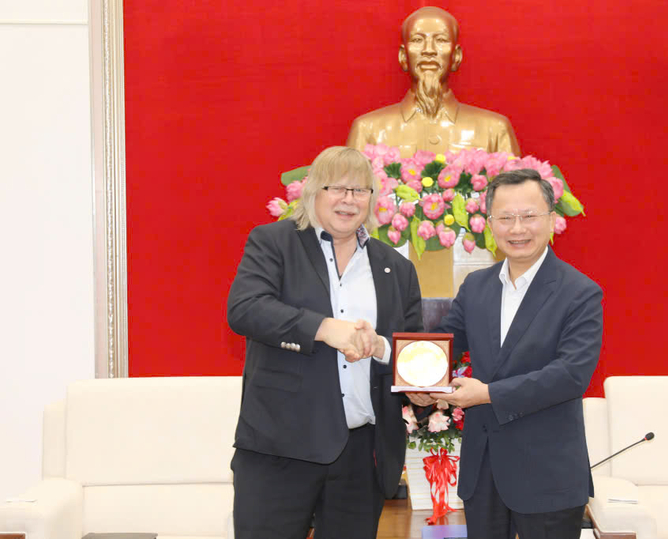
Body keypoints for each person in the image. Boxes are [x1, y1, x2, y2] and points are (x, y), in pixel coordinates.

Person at [227, 146, 423, 539]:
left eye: (360, 190)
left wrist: (391, 358)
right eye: (337, 188)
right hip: (280, 447)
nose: (349, 200)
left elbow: (412, 348)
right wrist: (323, 328)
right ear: (314, 191)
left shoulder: (395, 267)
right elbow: (245, 310)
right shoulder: (275, 242)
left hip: (359, 454)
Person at [409, 169, 603, 539]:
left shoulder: (580, 292)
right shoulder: (477, 286)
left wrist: (487, 394)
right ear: (490, 224)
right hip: (484, 472)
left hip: (548, 475)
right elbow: (445, 341)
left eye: (529, 216)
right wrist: (419, 381)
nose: (518, 229)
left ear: (551, 219)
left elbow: (570, 375)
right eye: (505, 218)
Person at [347, 6, 520, 158]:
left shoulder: (495, 130)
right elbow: (351, 191)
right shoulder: (367, 130)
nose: (428, 50)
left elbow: (514, 193)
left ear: (456, 56)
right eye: (417, 40)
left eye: (441, 40)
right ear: (403, 56)